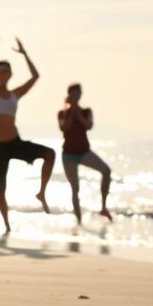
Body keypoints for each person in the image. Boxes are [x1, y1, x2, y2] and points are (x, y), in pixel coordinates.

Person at [0, 31, 55, 233]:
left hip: (14, 142)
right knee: (1, 187)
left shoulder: (15, 94)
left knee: (50, 154)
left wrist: (24, 53)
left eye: (6, 71)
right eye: (0, 71)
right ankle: (7, 226)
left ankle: (41, 193)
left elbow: (35, 76)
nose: (3, 74)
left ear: (10, 74)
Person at [58, 83, 113, 224]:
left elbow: (89, 126)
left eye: (78, 94)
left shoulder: (86, 111)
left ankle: (103, 207)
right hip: (68, 155)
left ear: (80, 95)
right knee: (75, 188)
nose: (75, 96)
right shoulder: (62, 113)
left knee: (106, 170)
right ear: (69, 95)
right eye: (73, 94)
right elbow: (64, 128)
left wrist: (77, 112)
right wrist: (70, 111)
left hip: (84, 152)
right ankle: (79, 220)